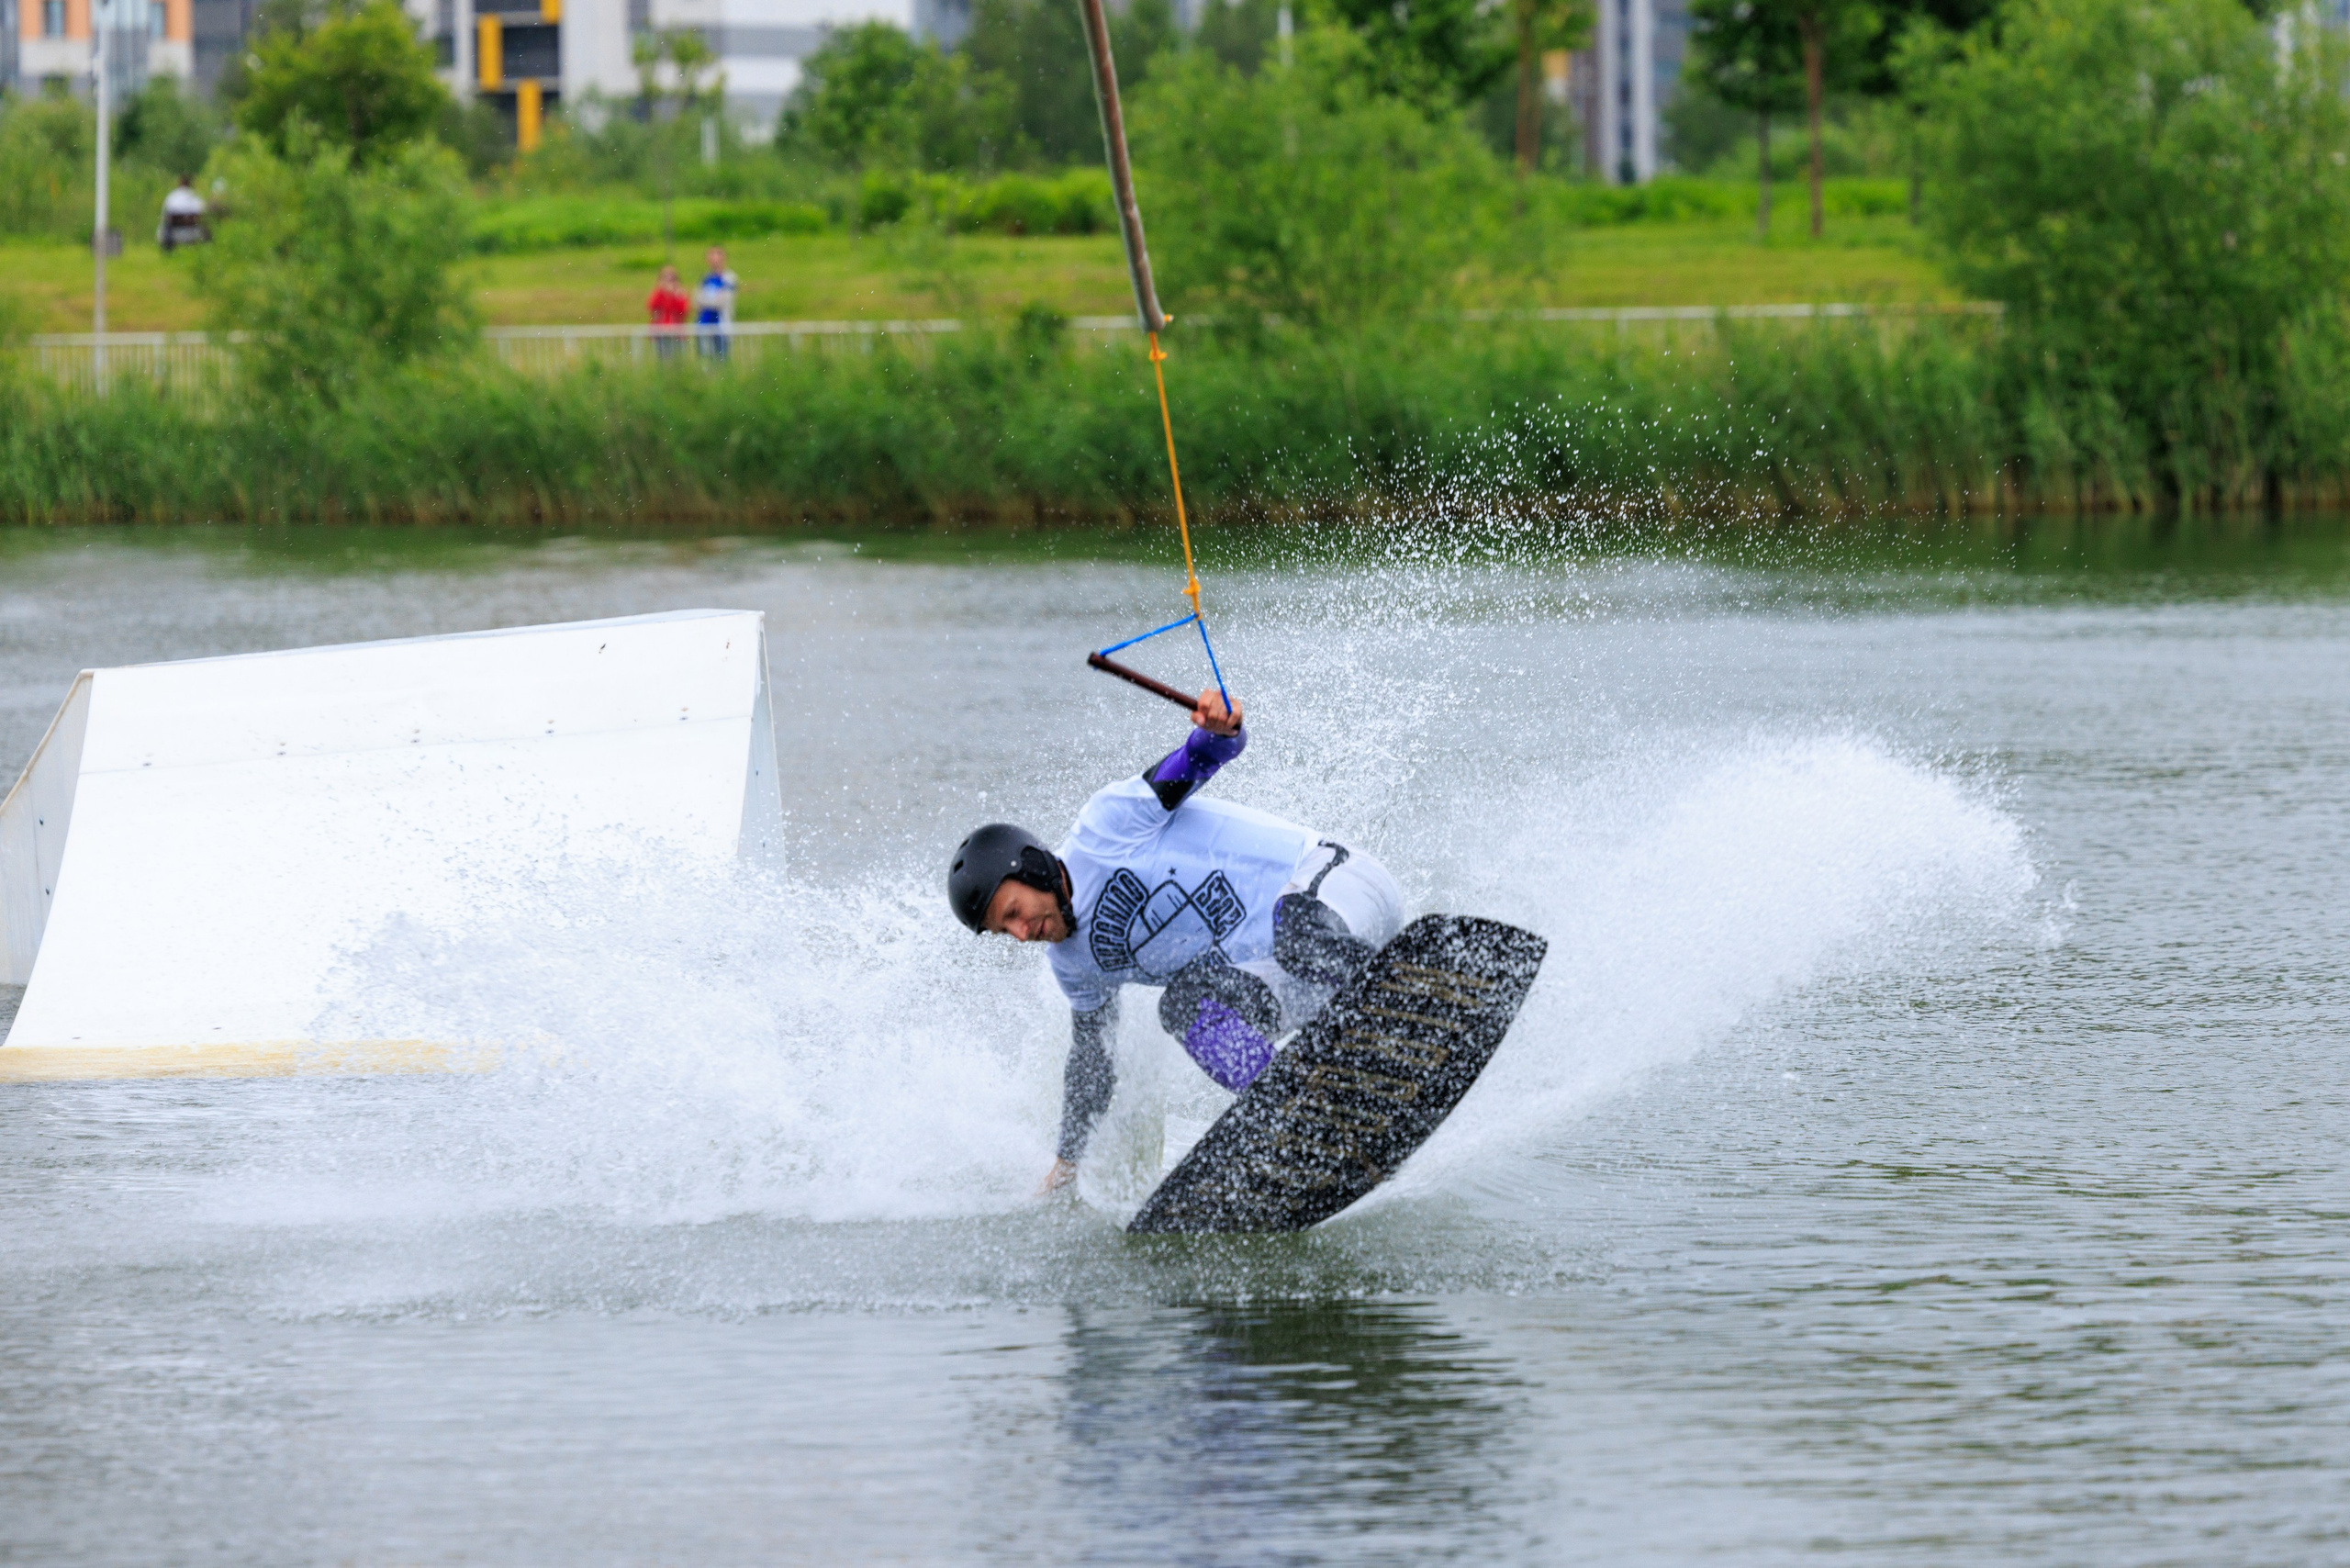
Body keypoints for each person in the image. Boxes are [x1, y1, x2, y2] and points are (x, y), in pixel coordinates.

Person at [947, 689, 1404, 1194]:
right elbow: (1092, 1066)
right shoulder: (1073, 964)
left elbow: (1200, 758)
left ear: (1031, 866)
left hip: (1341, 891)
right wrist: (1066, 1167)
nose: (1019, 932)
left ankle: (1407, 1000)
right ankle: (1305, 1117)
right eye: (1002, 931)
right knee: (1185, 1007)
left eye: (1013, 912)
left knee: (1292, 927)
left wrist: (1219, 729)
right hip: (1300, 975)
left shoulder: (1106, 827)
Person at [694, 245, 738, 361]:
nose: (714, 259)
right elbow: (696, 300)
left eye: (718, 255)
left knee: (721, 358)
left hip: (721, 325)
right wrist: (708, 301)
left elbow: (722, 301)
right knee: (705, 359)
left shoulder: (729, 278)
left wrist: (706, 301)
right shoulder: (705, 278)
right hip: (704, 325)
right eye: (711, 255)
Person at [647, 263, 690, 361]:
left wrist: (674, 296)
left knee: (678, 360)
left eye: (672, 279)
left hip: (677, 334)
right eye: (665, 279)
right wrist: (664, 293)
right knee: (662, 360)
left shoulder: (680, 294)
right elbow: (652, 307)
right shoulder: (658, 294)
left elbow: (683, 310)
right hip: (661, 332)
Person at [157, 175, 208, 252]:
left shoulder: (172, 197)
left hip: (174, 233)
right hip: (194, 232)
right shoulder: (196, 197)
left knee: (165, 225)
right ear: (190, 184)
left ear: (179, 183)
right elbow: (203, 213)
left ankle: (168, 251)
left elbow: (165, 216)